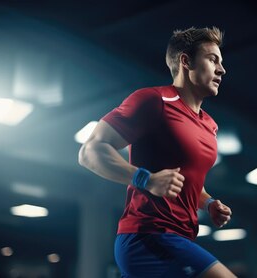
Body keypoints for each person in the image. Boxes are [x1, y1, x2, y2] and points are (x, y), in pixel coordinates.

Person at [78, 26, 236, 278]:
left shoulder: (210, 125)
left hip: (180, 238)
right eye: (212, 59)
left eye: (221, 62)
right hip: (147, 237)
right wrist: (146, 179)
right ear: (186, 61)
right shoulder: (153, 100)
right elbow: (90, 150)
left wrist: (208, 203)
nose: (221, 69)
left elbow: (185, 182)